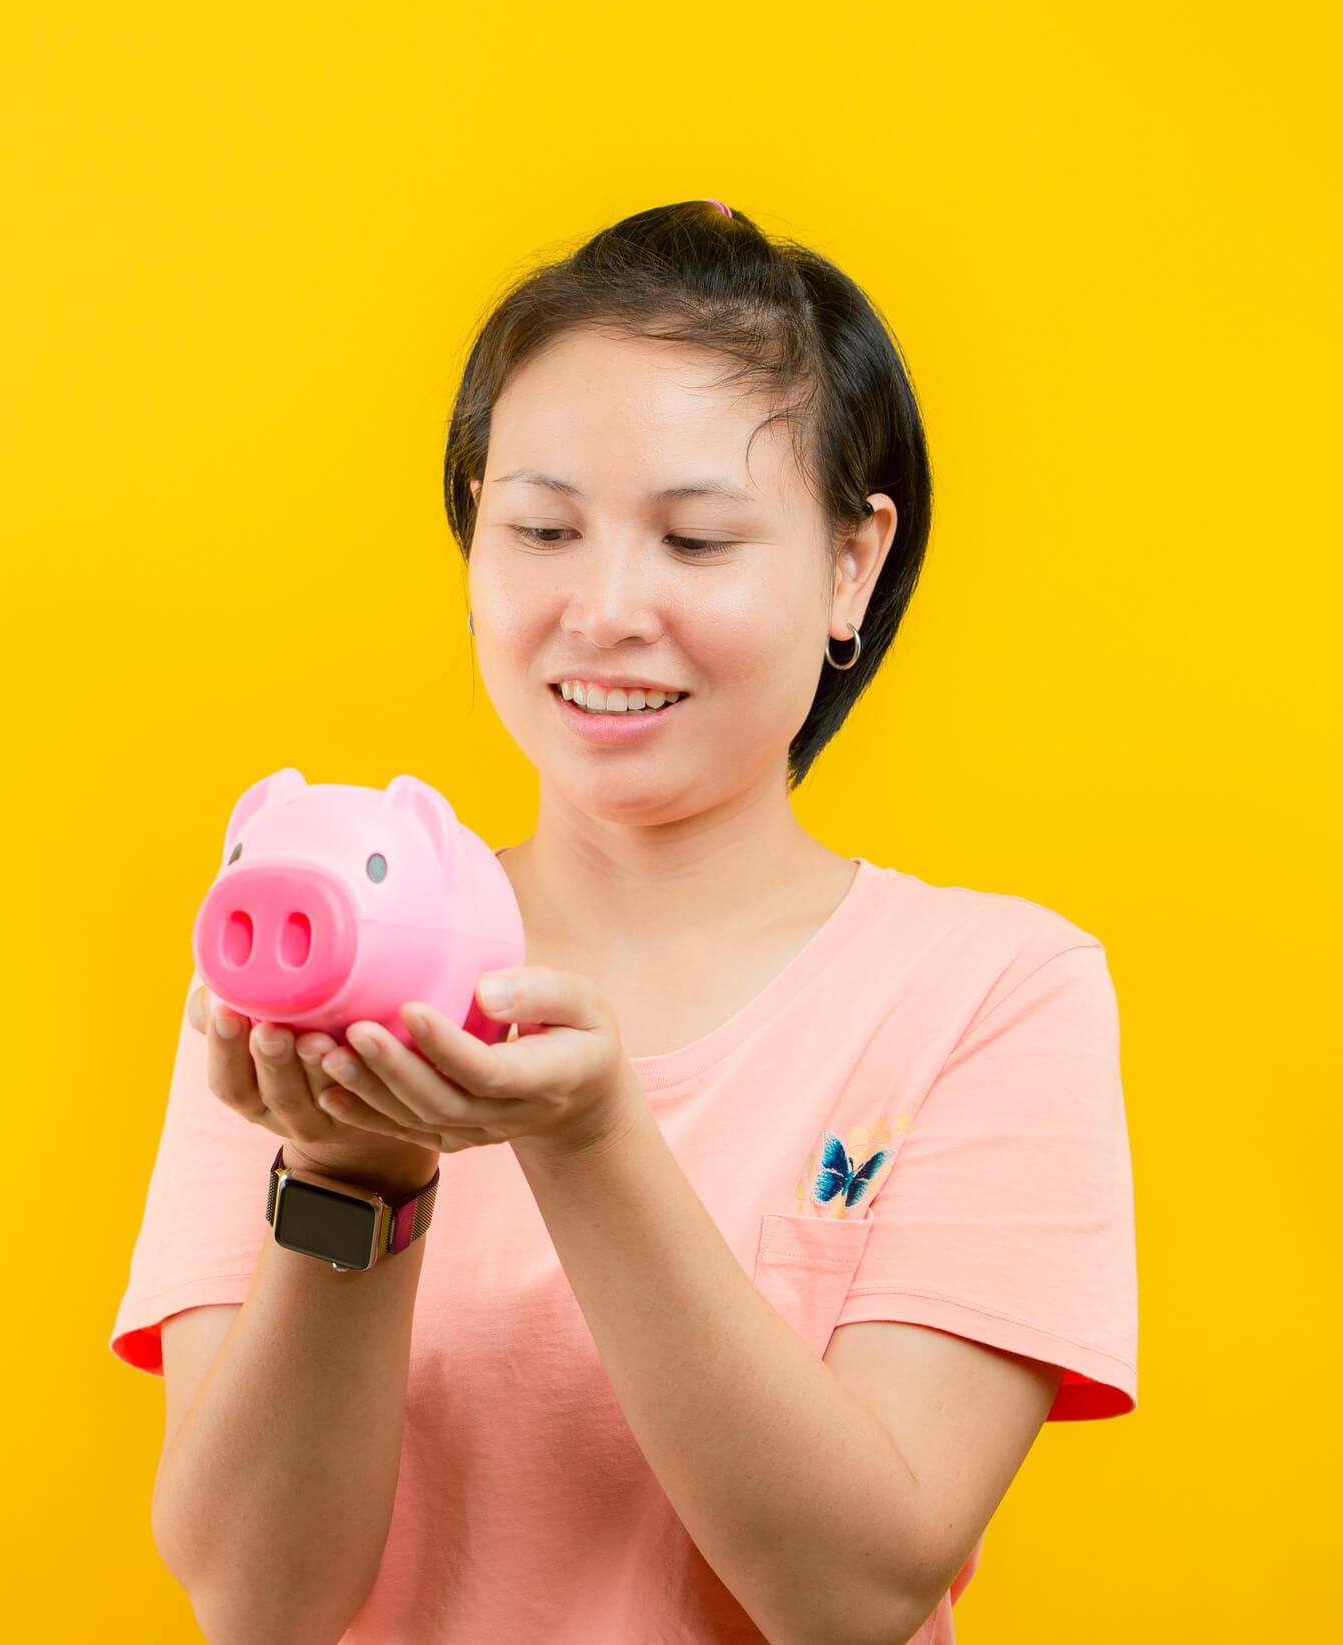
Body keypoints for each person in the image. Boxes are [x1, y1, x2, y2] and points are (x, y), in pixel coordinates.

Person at [108, 197, 1137, 1645]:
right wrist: (353, 1173)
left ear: (853, 563)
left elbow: (854, 1593)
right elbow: (259, 1603)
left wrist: (592, 1143)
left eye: (696, 541)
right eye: (541, 527)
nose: (602, 610)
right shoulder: (317, 967)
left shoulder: (993, 992)